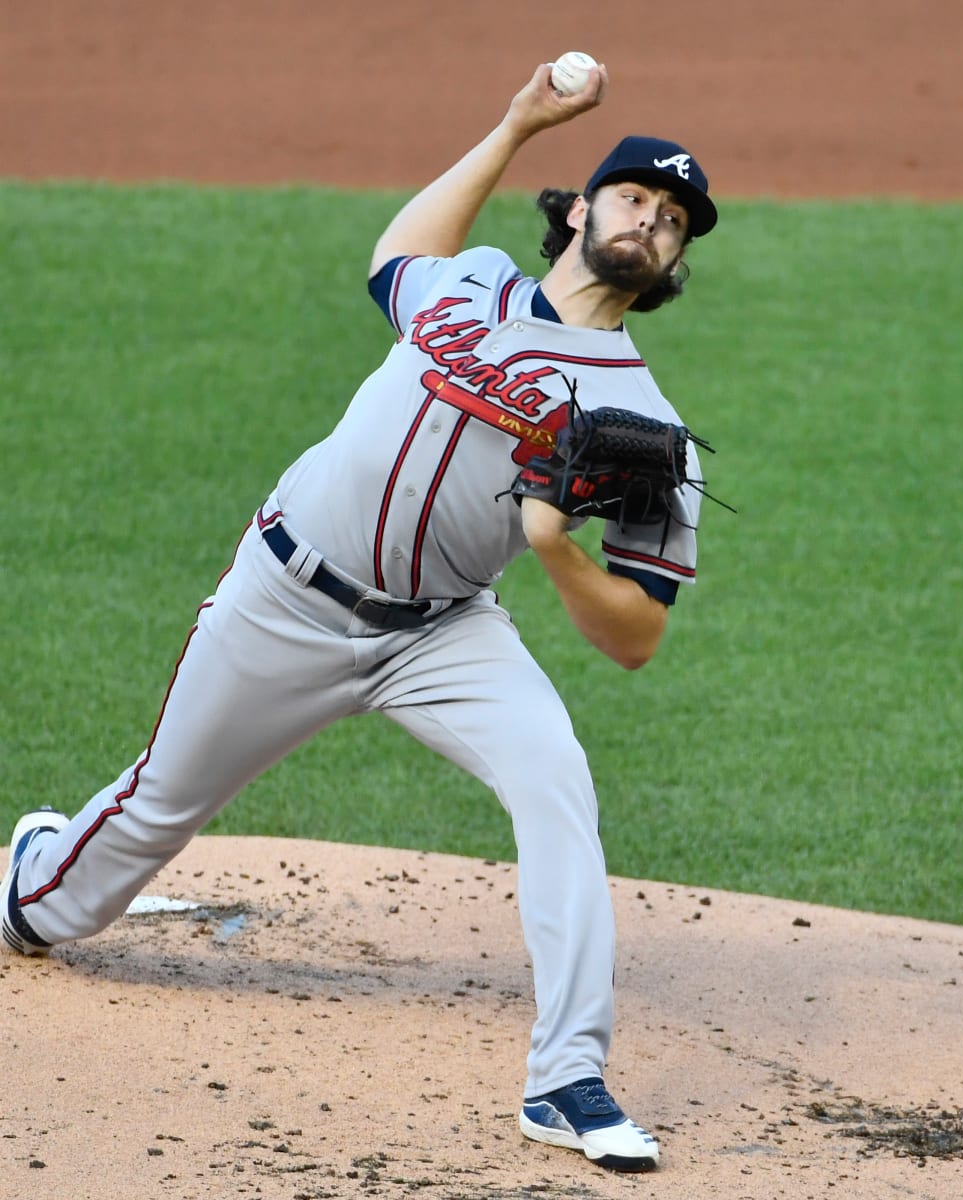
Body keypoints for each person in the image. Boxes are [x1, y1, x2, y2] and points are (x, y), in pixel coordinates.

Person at [1, 60, 719, 1174]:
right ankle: (33, 881)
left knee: (559, 787)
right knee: (130, 839)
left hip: (442, 634)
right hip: (285, 594)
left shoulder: (642, 419)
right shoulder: (473, 283)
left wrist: (555, 550)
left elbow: (638, 636)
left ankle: (567, 1078)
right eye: (634, 197)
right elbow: (393, 257)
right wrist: (519, 122)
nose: (651, 222)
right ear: (580, 210)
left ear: (675, 262)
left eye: (675, 222)